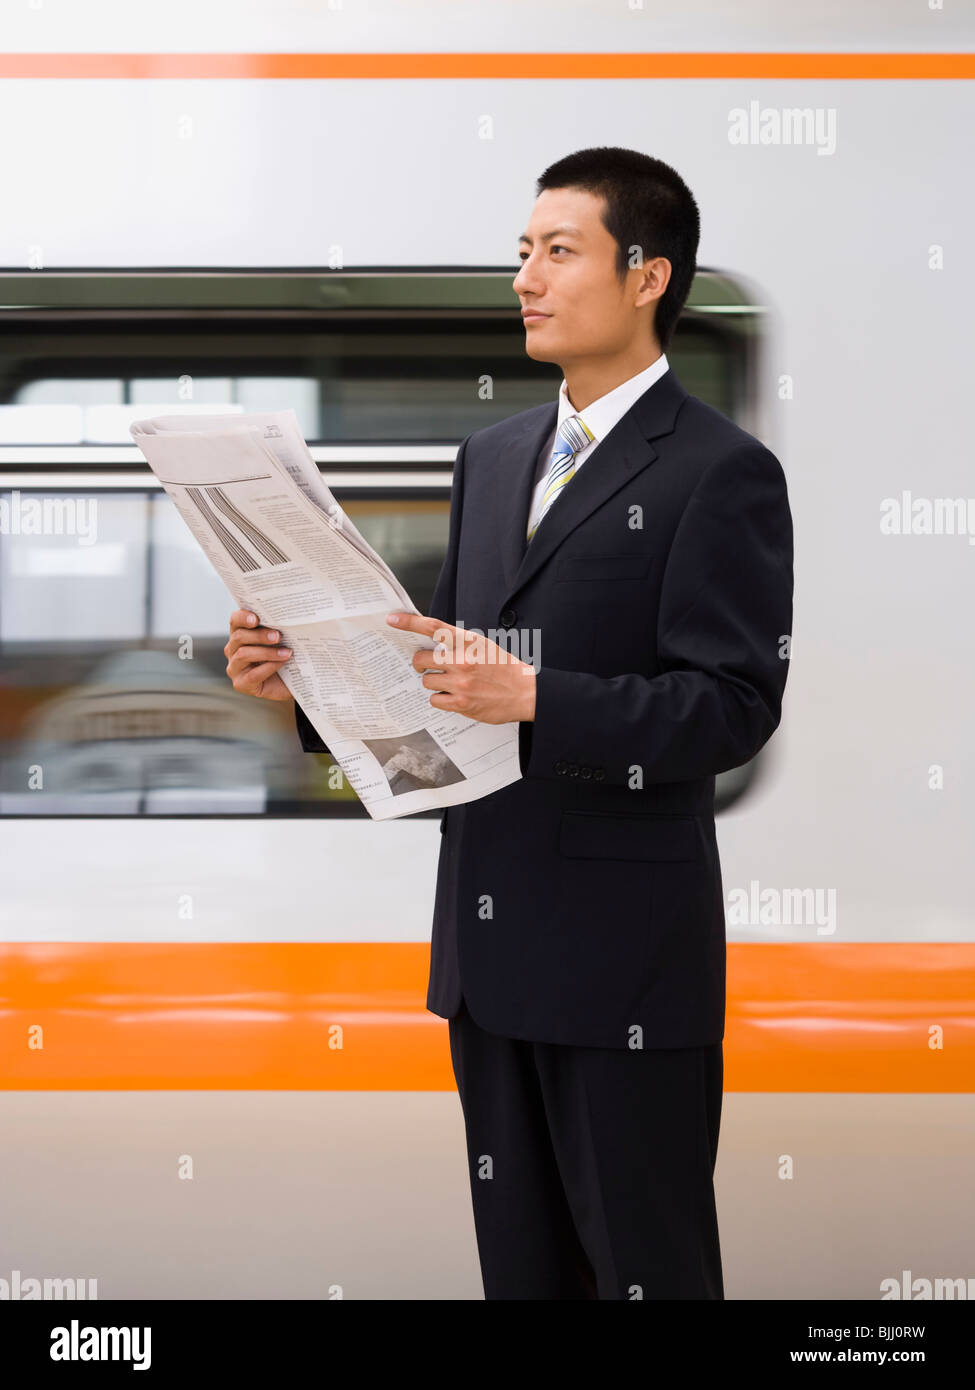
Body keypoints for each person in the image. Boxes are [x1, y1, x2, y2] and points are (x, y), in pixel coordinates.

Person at [224, 146, 794, 1300]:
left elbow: (732, 706)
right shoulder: (492, 460)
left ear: (649, 277)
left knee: (648, 1272)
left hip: (627, 968)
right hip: (489, 953)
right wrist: (311, 690)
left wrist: (538, 698)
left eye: (558, 250)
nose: (526, 277)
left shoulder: (720, 472)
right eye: (521, 254)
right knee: (524, 1280)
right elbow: (456, 676)